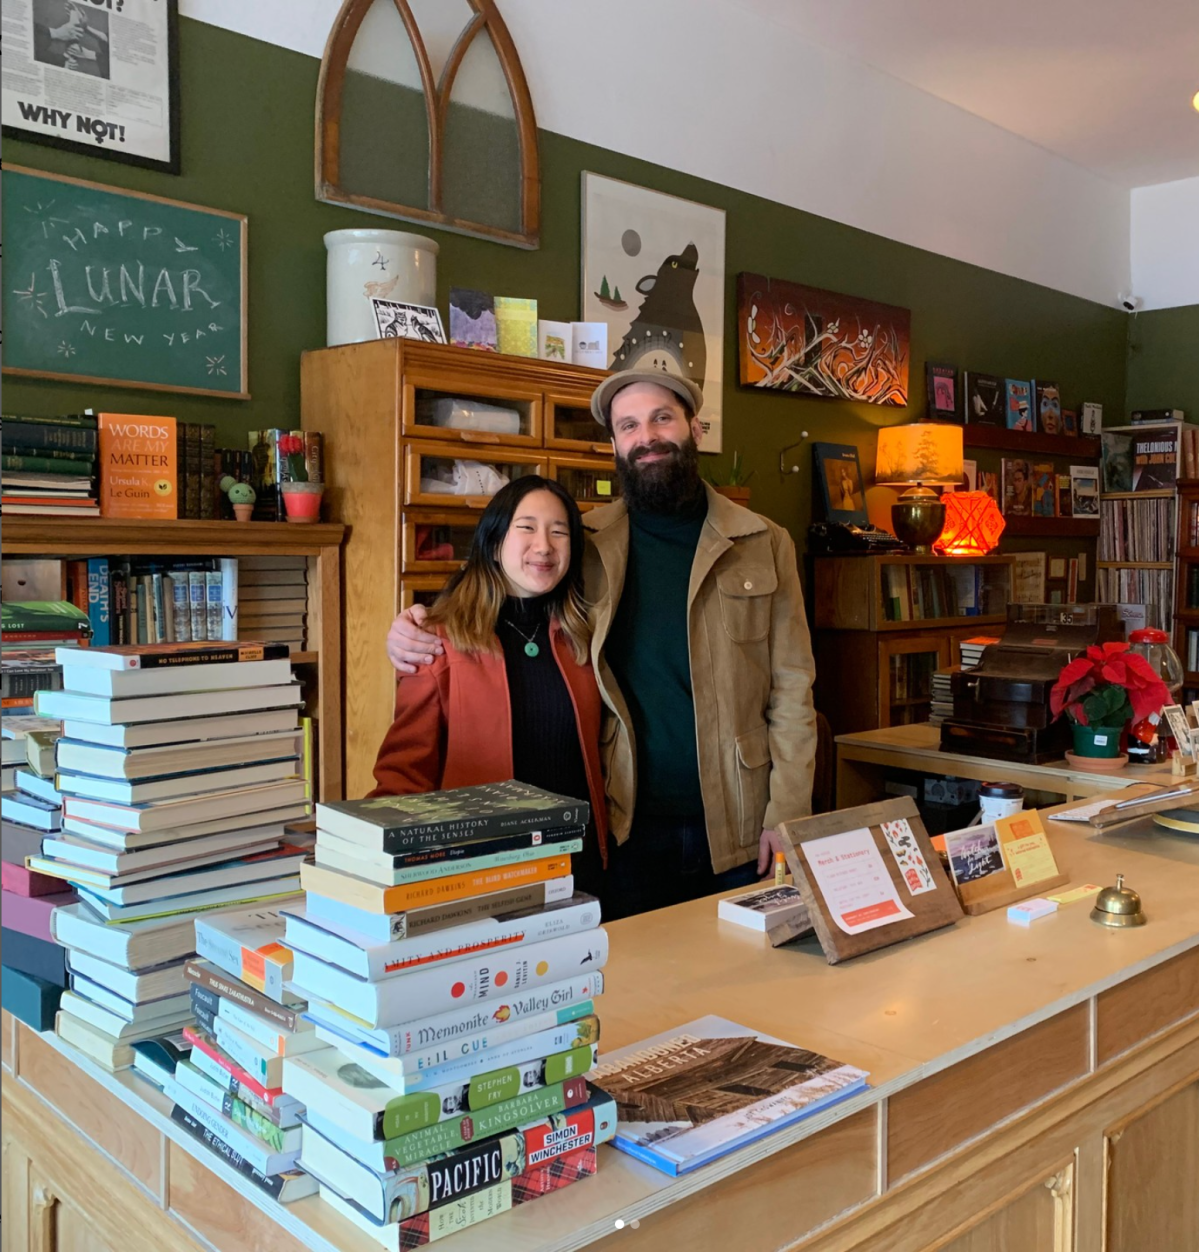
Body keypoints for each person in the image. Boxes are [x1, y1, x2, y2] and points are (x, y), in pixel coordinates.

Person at [388, 369, 817, 920]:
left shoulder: (763, 541)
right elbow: (498, 592)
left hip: (742, 826)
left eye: (662, 418)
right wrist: (413, 627)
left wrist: (788, 812)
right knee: (632, 971)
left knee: (744, 968)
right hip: (622, 829)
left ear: (694, 428)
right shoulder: (583, 540)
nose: (648, 436)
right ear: (614, 444)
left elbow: (793, 689)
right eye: (629, 425)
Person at [370, 476, 608, 898]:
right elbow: (403, 778)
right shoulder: (438, 641)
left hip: (582, 869)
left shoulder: (586, 639)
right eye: (527, 528)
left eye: (559, 532)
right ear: (495, 542)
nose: (544, 546)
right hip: (484, 875)